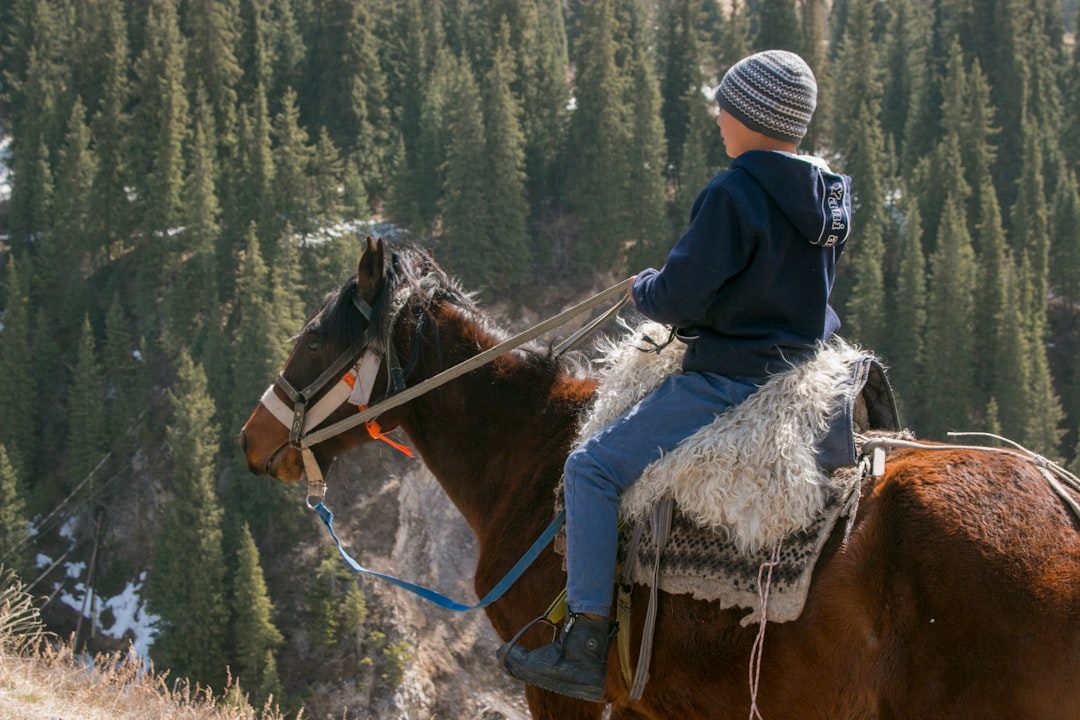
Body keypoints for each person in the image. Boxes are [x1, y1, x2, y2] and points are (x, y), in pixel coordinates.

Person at [500, 49, 852, 703]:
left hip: (731, 379)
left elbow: (680, 299)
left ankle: (583, 644)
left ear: (751, 115)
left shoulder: (733, 192)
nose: (720, 116)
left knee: (591, 470)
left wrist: (646, 288)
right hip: (805, 372)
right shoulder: (830, 195)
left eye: (728, 105)